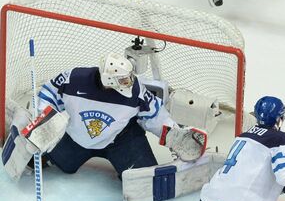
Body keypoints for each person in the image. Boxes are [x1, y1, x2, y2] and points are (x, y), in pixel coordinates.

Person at [3, 53, 206, 181]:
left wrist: (172, 134)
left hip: (121, 140)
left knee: (142, 178)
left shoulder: (134, 90)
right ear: (109, 80)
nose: (130, 82)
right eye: (123, 80)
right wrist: (42, 117)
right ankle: (37, 146)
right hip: (78, 138)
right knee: (63, 165)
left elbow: (153, 112)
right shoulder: (74, 79)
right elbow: (49, 91)